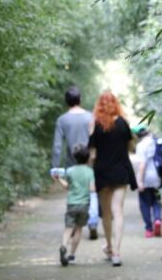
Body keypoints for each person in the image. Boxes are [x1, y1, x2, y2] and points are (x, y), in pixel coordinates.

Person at [88, 91, 137, 266]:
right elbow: (131, 148)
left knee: (106, 213)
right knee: (118, 211)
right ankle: (116, 251)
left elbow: (92, 154)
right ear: (116, 103)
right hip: (120, 171)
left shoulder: (96, 124)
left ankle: (109, 245)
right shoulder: (123, 124)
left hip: (102, 171)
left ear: (99, 105)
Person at [51, 86, 99, 240]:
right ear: (80, 100)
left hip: (72, 163)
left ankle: (73, 223)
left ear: (66, 102)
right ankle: (92, 221)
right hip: (90, 161)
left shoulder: (62, 120)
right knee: (92, 191)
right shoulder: (91, 117)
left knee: (74, 191)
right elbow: (97, 141)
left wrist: (55, 168)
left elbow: (57, 146)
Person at [52, 144, 95, 267]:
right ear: (87, 158)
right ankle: (72, 255)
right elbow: (92, 189)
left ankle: (63, 246)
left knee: (68, 228)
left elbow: (67, 186)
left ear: (75, 158)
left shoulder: (70, 171)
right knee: (79, 229)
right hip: (84, 204)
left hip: (71, 204)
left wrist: (58, 179)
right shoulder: (90, 171)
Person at [133, 124, 162, 237]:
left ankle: (149, 229)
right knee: (156, 201)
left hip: (145, 178)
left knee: (144, 204)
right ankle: (157, 220)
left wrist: (139, 181)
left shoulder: (140, 146)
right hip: (157, 177)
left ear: (137, 135)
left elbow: (142, 164)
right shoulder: (156, 142)